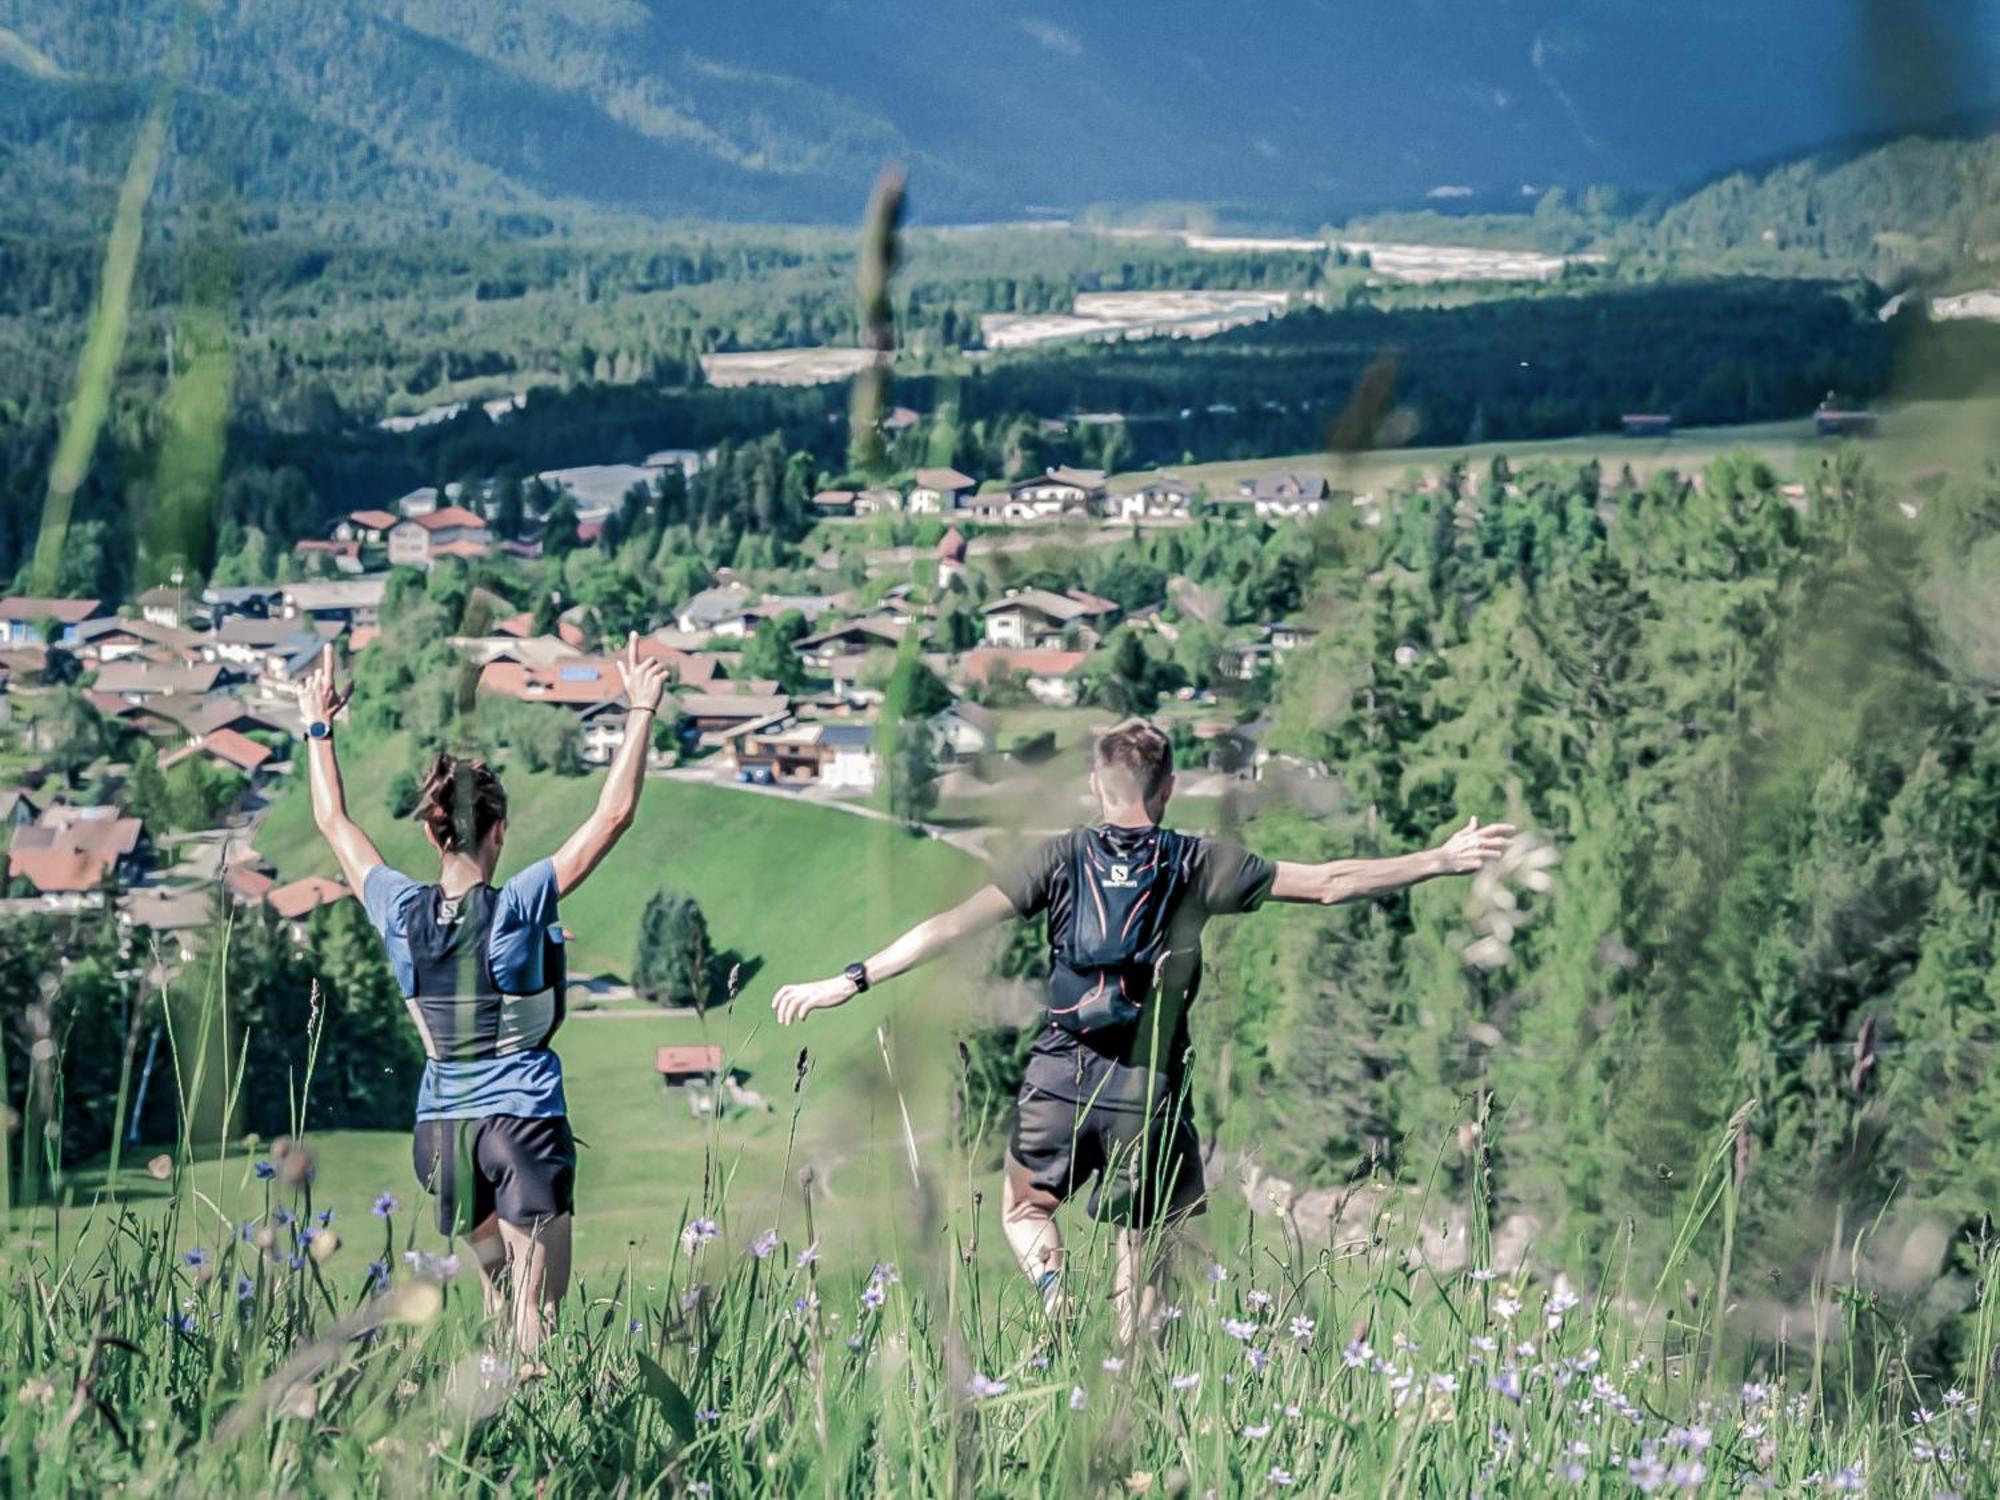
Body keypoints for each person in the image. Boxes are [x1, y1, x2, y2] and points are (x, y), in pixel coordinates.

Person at [771, 717, 1513, 1337]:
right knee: (1148, 1239)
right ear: (1168, 789)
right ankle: (1127, 1392)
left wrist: (850, 979)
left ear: (1098, 786)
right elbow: (1327, 884)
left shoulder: (1058, 858)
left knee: (1026, 1210)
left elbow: (949, 926)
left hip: (1059, 1075)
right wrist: (1441, 859)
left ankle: (1055, 1297)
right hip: (1149, 1087)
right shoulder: (1195, 862)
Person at [300, 635, 670, 1352]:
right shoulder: (521, 901)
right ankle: (548, 1459)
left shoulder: (398, 909)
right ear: (497, 830)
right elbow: (612, 818)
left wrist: (319, 727)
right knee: (540, 1320)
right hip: (521, 1122)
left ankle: (492, 1443)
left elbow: (334, 826)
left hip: (442, 1136)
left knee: (500, 1311)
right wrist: (642, 709)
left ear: (437, 837)